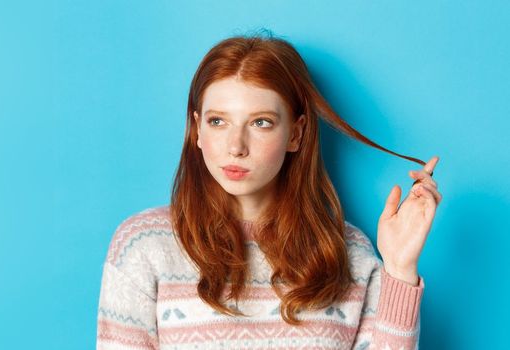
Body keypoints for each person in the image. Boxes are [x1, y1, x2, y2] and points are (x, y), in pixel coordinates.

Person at [95, 32, 442, 349]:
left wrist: (398, 269)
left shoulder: (348, 252)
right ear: (197, 129)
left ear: (296, 133)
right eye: (218, 121)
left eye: (261, 122)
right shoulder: (143, 245)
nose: (236, 146)